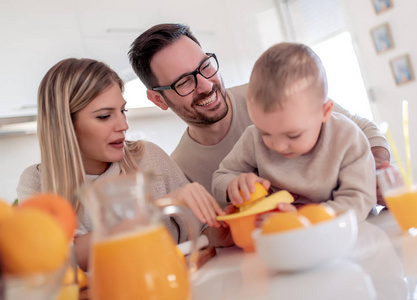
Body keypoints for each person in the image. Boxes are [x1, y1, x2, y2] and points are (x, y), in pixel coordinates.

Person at [128, 23, 390, 207]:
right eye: (184, 82)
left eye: (205, 66)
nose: (206, 85)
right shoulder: (183, 170)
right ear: (158, 99)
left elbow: (361, 129)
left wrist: (375, 167)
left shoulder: (270, 96)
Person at [16, 58, 230, 270]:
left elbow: (199, 234)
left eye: (123, 111)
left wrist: (218, 234)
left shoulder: (149, 157)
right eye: (104, 116)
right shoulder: (37, 184)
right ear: (65, 125)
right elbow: (67, 257)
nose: (123, 125)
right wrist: (156, 208)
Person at [212, 43, 376, 222]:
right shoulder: (253, 138)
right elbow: (221, 177)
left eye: (293, 135)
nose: (279, 146)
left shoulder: (346, 137)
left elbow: (360, 199)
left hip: (350, 234)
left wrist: (303, 219)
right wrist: (233, 186)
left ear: (325, 111)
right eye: (265, 133)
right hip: (283, 238)